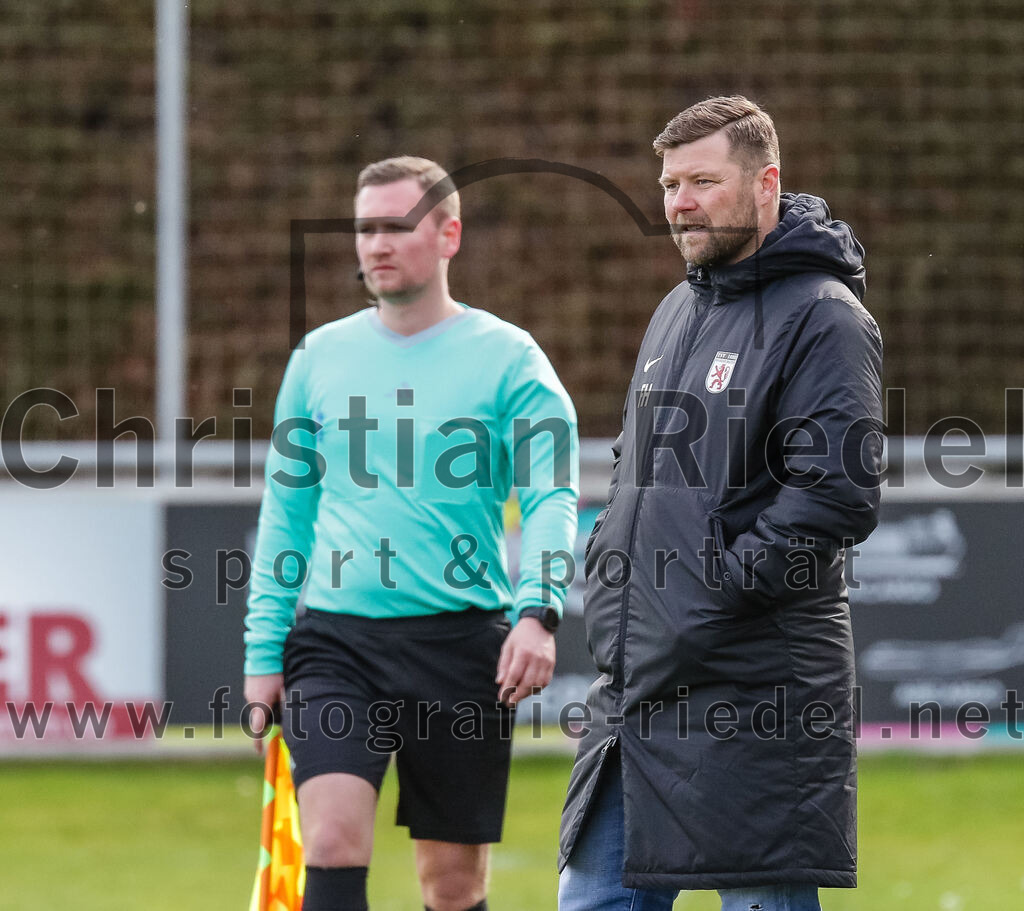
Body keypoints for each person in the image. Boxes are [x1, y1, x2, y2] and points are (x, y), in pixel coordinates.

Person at [557, 96, 883, 911]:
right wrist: (617, 573)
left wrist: (712, 590)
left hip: (757, 692)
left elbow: (835, 495)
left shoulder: (825, 318)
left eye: (704, 180)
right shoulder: (676, 309)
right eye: (670, 183)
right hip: (634, 692)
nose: (680, 202)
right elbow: (639, 473)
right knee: (591, 899)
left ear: (766, 183)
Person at [243, 156, 579, 911]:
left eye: (397, 226)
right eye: (365, 227)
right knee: (329, 843)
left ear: (449, 234)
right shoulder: (318, 358)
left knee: (451, 883)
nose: (376, 244)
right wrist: (264, 652)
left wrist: (538, 610)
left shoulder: (510, 359)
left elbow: (553, 494)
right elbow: (288, 515)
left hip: (462, 648)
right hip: (336, 646)